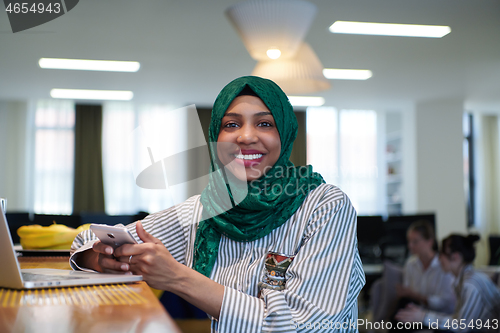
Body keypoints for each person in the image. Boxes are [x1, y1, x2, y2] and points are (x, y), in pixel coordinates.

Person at [70, 76, 365, 332]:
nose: (246, 137)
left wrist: (178, 278)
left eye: (264, 123)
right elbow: (88, 239)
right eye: (231, 124)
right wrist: (102, 259)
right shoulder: (205, 209)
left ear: (285, 133)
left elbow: (307, 326)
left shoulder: (325, 205)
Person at [395, 234, 500, 332]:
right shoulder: (463, 280)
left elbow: (461, 326)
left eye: (442, 254)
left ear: (456, 257)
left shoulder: (471, 284)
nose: (439, 258)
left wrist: (423, 316)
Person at [396, 220, 455, 313]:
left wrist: (415, 296)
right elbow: (407, 294)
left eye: (415, 241)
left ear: (430, 242)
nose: (410, 245)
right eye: (409, 241)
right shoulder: (410, 264)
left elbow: (444, 302)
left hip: (437, 315)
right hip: (415, 311)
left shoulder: (443, 265)